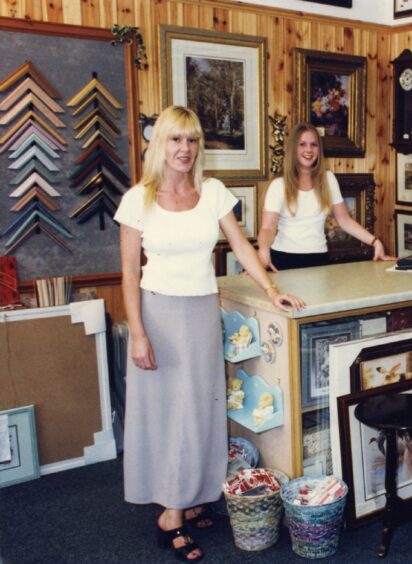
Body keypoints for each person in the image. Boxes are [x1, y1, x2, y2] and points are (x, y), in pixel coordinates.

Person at [114, 106, 305, 562]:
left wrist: (271, 289)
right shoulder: (137, 199)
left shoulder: (214, 192)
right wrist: (138, 334)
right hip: (157, 314)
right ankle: (170, 515)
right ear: (160, 144)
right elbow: (127, 275)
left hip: (201, 312)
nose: (185, 149)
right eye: (176, 140)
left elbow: (240, 244)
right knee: (168, 415)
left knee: (201, 410)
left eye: (193, 140)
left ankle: (193, 492)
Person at [257, 122, 395, 270]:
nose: (308, 150)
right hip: (284, 260)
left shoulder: (328, 179)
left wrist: (375, 242)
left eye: (314, 145)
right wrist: (263, 250)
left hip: (319, 259)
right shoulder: (279, 184)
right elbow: (268, 228)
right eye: (302, 144)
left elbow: (345, 220)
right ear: (293, 149)